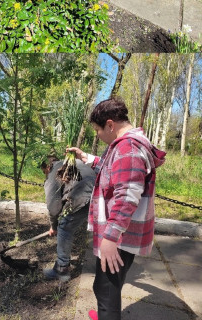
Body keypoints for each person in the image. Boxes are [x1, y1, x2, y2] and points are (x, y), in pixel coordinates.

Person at [68, 98, 165, 320]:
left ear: (110, 125)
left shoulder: (127, 147)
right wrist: (87, 158)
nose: (98, 135)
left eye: (98, 130)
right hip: (123, 231)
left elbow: (127, 196)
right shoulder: (126, 146)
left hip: (119, 235)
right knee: (109, 286)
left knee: (105, 290)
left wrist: (110, 238)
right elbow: (114, 171)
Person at [41, 153, 96, 282]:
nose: (45, 174)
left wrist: (54, 226)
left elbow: (53, 207)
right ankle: (103, 264)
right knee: (69, 223)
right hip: (97, 193)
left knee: (64, 227)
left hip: (82, 197)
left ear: (47, 167)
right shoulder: (69, 164)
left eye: (44, 172)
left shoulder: (54, 173)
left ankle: (62, 270)